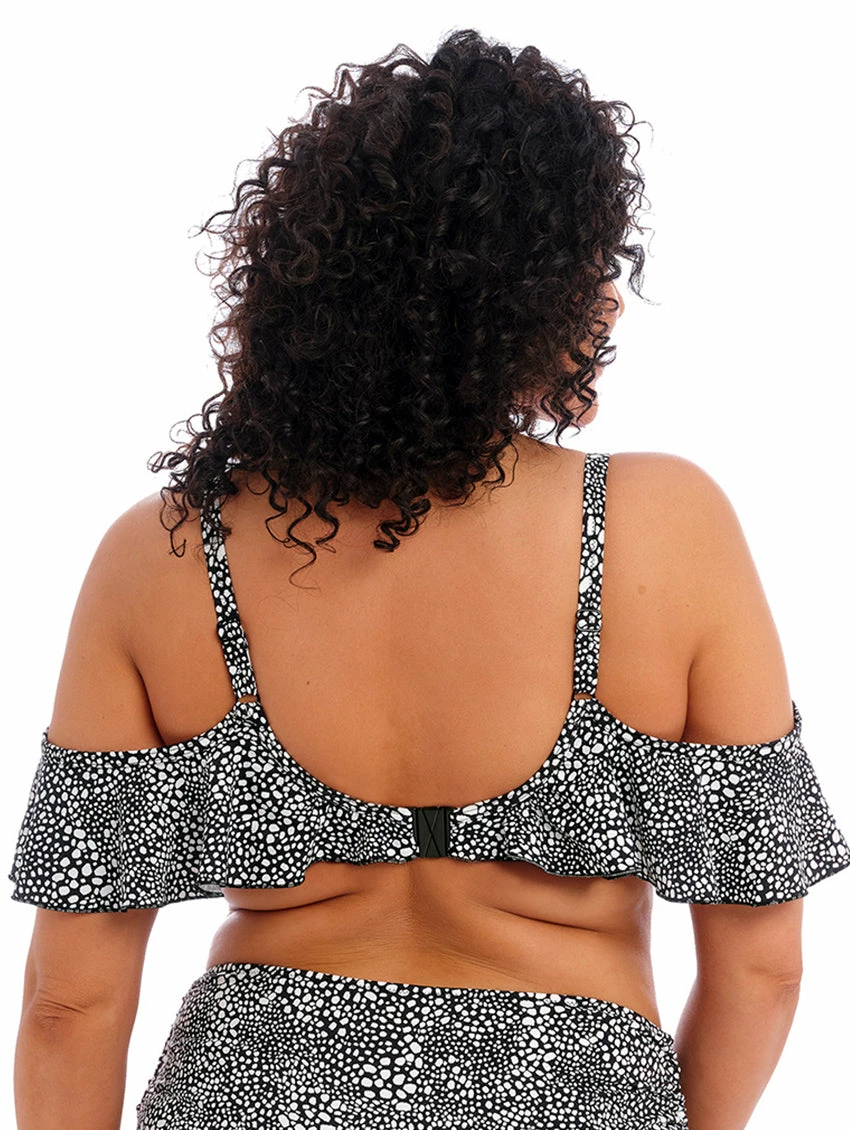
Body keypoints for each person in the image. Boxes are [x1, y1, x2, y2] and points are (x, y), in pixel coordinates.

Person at [9, 27, 849, 1130]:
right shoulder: (664, 528)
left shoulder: (167, 551)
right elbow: (762, 968)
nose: (607, 297)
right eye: (592, 266)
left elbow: (69, 1002)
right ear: (532, 295)